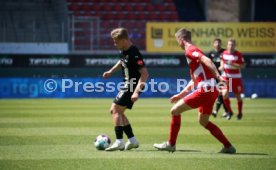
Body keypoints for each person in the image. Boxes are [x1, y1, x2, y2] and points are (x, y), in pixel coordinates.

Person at [153, 28, 236, 154]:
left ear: (181, 39)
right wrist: (180, 95)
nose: (178, 44)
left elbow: (207, 60)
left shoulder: (190, 50)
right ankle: (228, 146)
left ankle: (171, 144)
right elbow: (194, 80)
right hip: (212, 90)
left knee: (175, 111)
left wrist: (219, 76)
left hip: (206, 89)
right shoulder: (192, 54)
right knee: (203, 121)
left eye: (177, 41)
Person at [102, 28, 149, 151]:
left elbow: (145, 74)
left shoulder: (134, 53)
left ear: (123, 40)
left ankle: (119, 141)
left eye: (116, 41)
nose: (114, 44)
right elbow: (122, 61)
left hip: (132, 85)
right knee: (119, 112)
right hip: (127, 85)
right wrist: (111, 71)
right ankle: (132, 140)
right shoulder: (124, 50)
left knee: (114, 110)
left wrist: (137, 92)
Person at [219, 38, 245, 120]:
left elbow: (243, 65)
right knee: (224, 94)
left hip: (236, 78)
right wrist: (221, 66)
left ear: (234, 45)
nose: (230, 46)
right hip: (225, 77)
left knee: (238, 96)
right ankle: (229, 111)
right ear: (227, 45)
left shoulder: (238, 54)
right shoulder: (224, 53)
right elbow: (222, 62)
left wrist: (233, 64)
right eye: (229, 44)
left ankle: (240, 113)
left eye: (232, 45)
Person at [207, 38, 228, 118]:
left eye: (219, 43)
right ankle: (226, 111)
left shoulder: (225, 52)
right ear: (213, 44)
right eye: (216, 43)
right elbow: (207, 64)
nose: (217, 44)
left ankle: (216, 111)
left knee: (222, 93)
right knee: (214, 94)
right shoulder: (211, 53)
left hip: (223, 76)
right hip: (213, 77)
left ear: (221, 43)